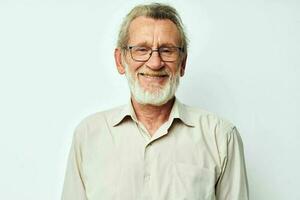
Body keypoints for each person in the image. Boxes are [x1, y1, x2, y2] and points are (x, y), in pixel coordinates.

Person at [62, 3, 249, 200]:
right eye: (141, 49)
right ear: (120, 60)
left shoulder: (220, 137)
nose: (155, 63)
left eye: (167, 50)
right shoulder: (89, 135)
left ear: (183, 63)